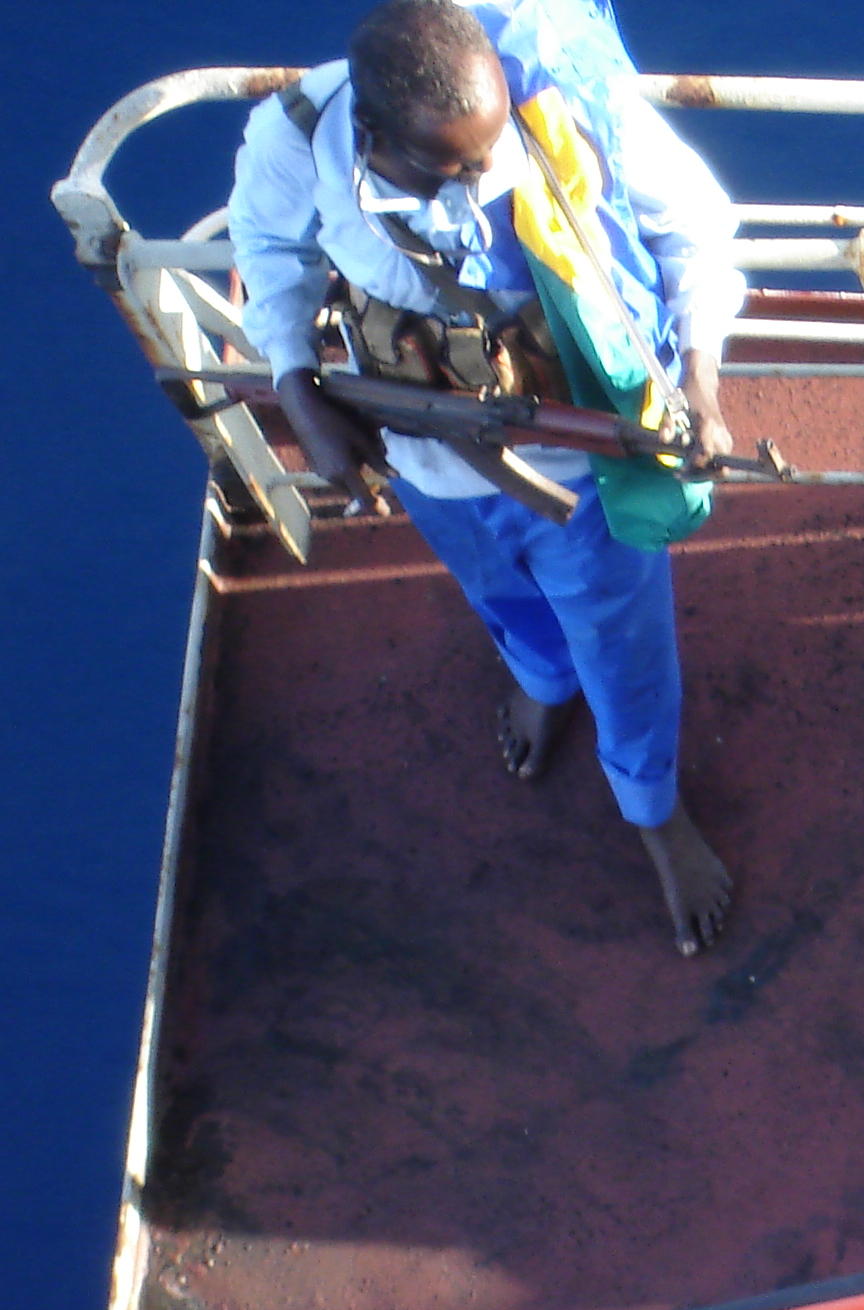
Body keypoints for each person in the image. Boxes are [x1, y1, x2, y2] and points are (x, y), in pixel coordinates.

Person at [231, 0, 741, 953]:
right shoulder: (295, 138)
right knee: (496, 592)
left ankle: (651, 806)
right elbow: (269, 255)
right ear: (376, 135)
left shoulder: (563, 100)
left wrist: (702, 387)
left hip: (580, 460)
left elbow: (697, 233)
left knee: (620, 635)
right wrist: (302, 396)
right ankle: (541, 680)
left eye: (493, 147)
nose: (486, 179)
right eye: (454, 166)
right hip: (428, 455)